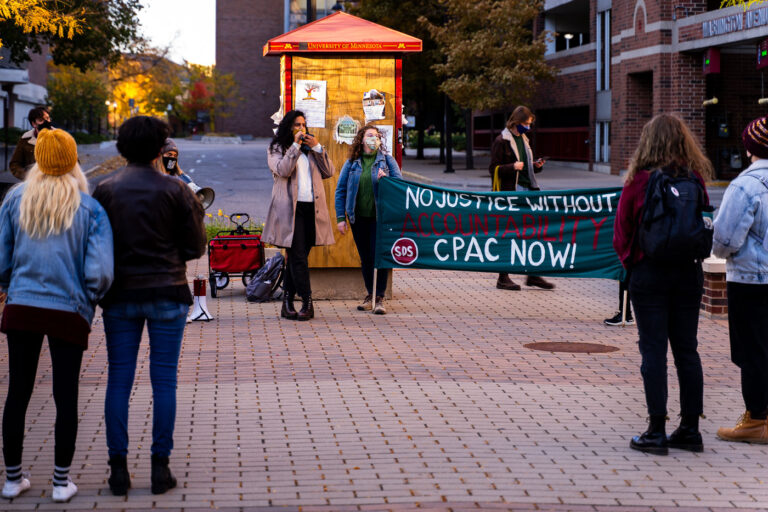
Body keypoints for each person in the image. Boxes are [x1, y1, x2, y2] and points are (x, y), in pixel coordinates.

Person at [93, 116, 206, 496]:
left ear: (121, 148)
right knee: (164, 381)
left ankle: (118, 470)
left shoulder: (105, 190)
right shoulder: (176, 190)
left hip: (120, 296)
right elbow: (195, 248)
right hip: (168, 291)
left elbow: (97, 246)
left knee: (119, 380)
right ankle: (160, 468)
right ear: (161, 149)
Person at [0, 129, 114, 501]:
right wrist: (88, 300)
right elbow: (100, 272)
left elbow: (2, 261)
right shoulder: (89, 207)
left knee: (18, 391)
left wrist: (12, 286)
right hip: (69, 308)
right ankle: (62, 483)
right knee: (66, 395)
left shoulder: (15, 199)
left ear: (38, 158)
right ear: (72, 159)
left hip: (22, 307)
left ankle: (13, 479)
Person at [613, 113, 712, 455]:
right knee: (687, 350)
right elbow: (703, 224)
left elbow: (622, 232)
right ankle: (690, 429)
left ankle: (656, 429)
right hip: (688, 273)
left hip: (650, 273)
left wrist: (633, 265)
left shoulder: (639, 181)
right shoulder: (694, 178)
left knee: (653, 349)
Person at [713, 116, 768, 443]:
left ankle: (755, 419)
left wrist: (720, 252)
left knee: (752, 351)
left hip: (750, 279)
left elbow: (725, 240)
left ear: (750, 147)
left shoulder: (746, 185)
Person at [263, 110, 335, 321]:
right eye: (296, 125)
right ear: (288, 127)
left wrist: (318, 148)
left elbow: (329, 171)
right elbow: (283, 170)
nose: (301, 129)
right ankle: (307, 302)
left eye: (303, 125)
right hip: (289, 211)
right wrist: (294, 146)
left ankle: (287, 303)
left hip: (312, 209)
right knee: (298, 258)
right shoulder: (277, 148)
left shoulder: (310, 149)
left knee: (296, 258)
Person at [335, 124, 402, 314]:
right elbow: (340, 190)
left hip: (380, 219)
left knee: (378, 257)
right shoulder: (352, 163)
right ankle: (369, 295)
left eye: (377, 136)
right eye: (370, 135)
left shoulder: (387, 162)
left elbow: (400, 188)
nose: (375, 138)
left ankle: (379, 297)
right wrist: (341, 217)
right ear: (362, 140)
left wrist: (386, 180)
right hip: (358, 218)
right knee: (366, 258)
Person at [489, 106, 553, 291]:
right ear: (516, 122)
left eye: (530, 124)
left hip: (528, 190)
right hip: (511, 193)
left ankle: (533, 275)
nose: (528, 128)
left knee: (533, 232)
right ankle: (503, 277)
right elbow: (493, 168)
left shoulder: (523, 140)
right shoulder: (502, 141)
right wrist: (512, 167)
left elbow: (525, 167)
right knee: (510, 234)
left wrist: (535, 166)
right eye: (526, 124)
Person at [9, 107, 52, 180]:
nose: (46, 122)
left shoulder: (61, 138)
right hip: (33, 186)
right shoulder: (25, 139)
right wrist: (28, 176)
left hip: (56, 186)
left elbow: (74, 162)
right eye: (41, 120)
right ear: (34, 124)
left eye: (47, 118)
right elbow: (14, 164)